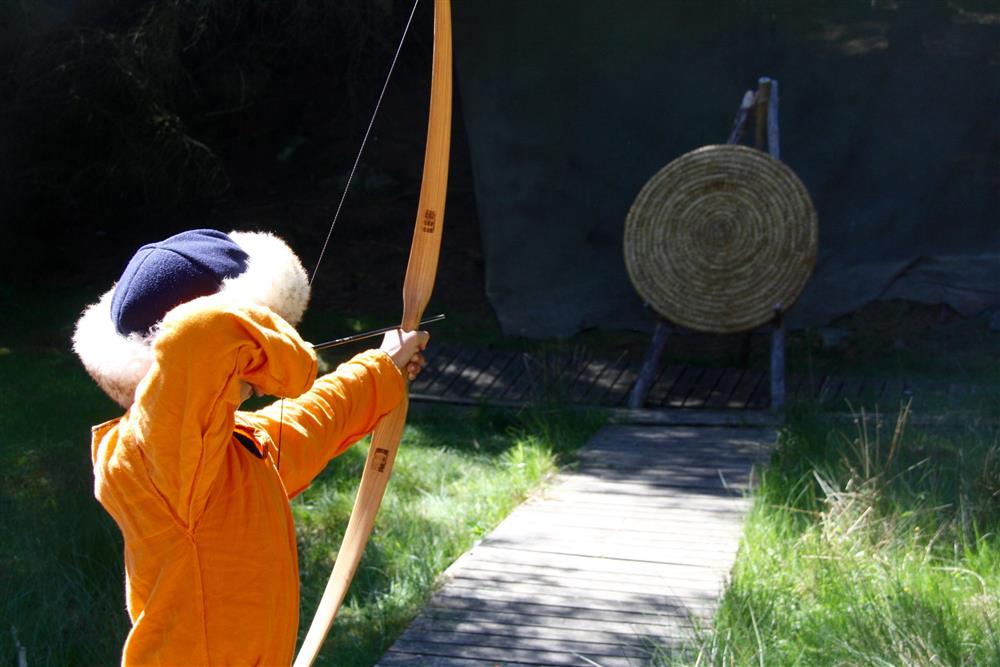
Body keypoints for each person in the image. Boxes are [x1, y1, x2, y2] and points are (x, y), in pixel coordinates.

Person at [72, 228, 427, 666]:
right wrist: (290, 363)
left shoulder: (223, 448)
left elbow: (312, 421)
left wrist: (383, 366)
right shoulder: (153, 459)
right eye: (261, 325)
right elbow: (198, 333)